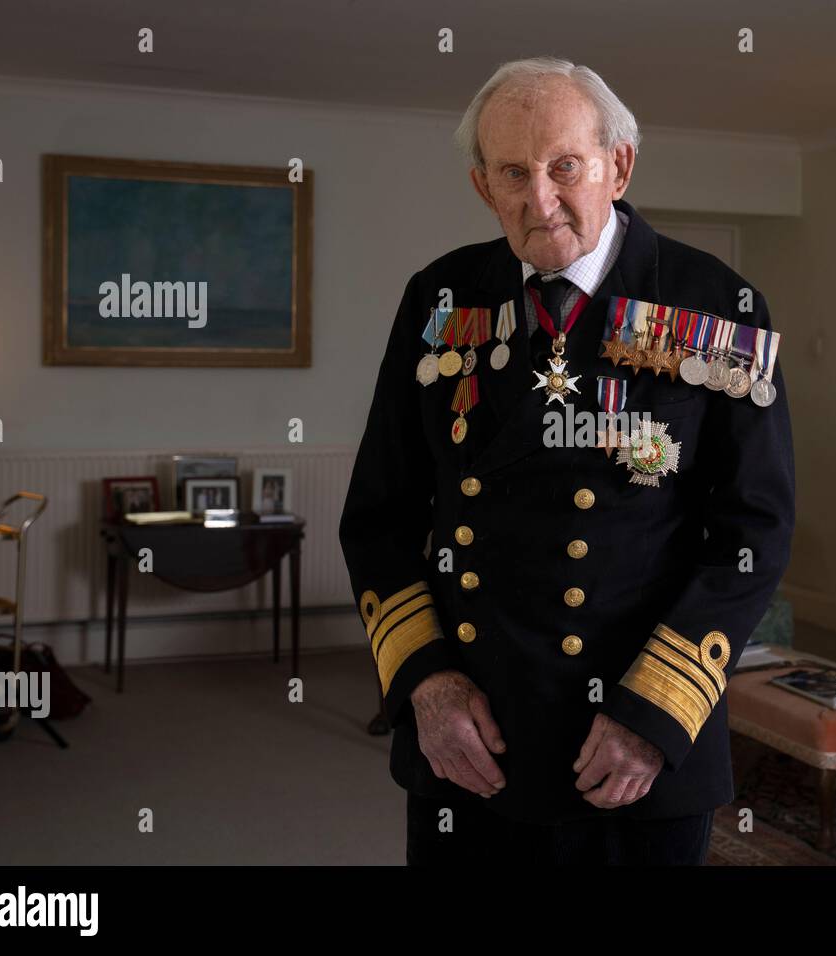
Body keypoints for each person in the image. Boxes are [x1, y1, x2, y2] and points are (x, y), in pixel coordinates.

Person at [339, 56, 794, 865]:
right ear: (483, 186)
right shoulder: (439, 300)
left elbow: (752, 529)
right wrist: (429, 689)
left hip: (632, 743)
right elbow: (380, 517)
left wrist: (653, 715)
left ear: (617, 166)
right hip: (471, 741)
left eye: (564, 167)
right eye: (512, 172)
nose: (539, 199)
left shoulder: (717, 304)